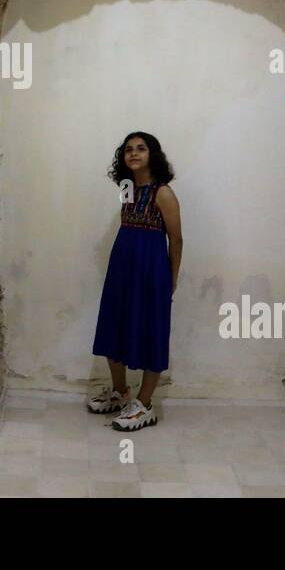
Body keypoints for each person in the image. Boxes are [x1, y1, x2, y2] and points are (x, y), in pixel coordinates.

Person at [87, 131, 183, 431]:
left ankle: (145, 403)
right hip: (122, 267)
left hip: (151, 270)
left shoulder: (163, 193)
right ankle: (120, 391)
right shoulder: (127, 189)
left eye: (141, 148)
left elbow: (176, 240)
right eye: (129, 149)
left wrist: (172, 278)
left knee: (151, 328)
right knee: (114, 324)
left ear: (152, 154)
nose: (134, 153)